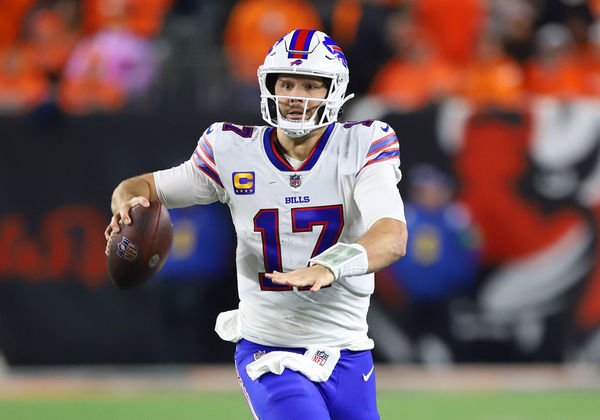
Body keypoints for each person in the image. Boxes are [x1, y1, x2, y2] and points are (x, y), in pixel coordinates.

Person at [105, 29, 407, 419]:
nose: (296, 96)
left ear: (335, 91)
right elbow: (142, 186)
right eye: (287, 83)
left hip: (349, 348)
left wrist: (328, 266)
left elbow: (392, 236)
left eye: (311, 85)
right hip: (270, 348)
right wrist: (124, 203)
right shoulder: (231, 149)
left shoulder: (363, 144)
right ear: (270, 86)